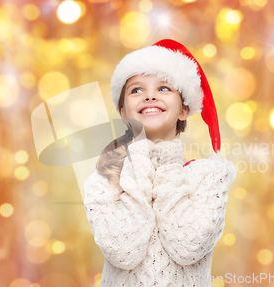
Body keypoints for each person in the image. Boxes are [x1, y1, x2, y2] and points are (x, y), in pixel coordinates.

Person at [83, 39, 237, 286]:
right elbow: (124, 252)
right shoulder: (104, 180)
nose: (150, 95)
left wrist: (167, 164)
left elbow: (187, 247)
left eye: (164, 88)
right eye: (136, 90)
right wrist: (140, 161)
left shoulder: (210, 176)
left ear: (183, 110)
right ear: (123, 113)